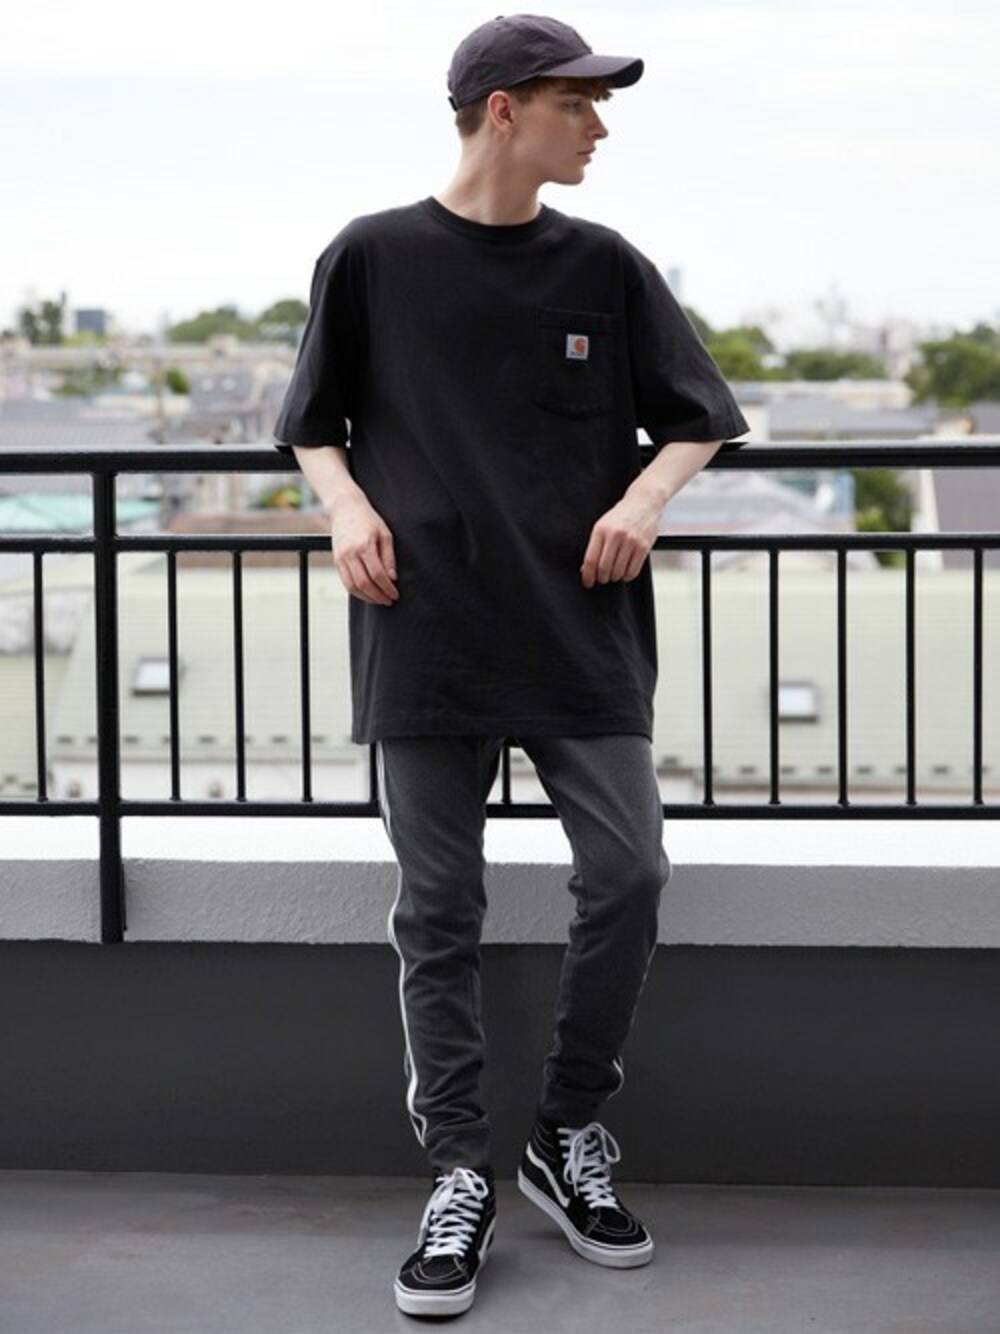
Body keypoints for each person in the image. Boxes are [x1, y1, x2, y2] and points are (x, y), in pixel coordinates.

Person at [271, 13, 750, 1318]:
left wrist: (643, 499)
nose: (598, 125)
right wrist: (346, 507)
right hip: (423, 624)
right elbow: (312, 421)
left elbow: (702, 417)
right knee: (438, 907)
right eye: (576, 102)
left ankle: (567, 1127)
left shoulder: (605, 265)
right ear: (502, 109)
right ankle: (458, 1170)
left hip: (581, 626)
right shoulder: (371, 255)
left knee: (631, 871)